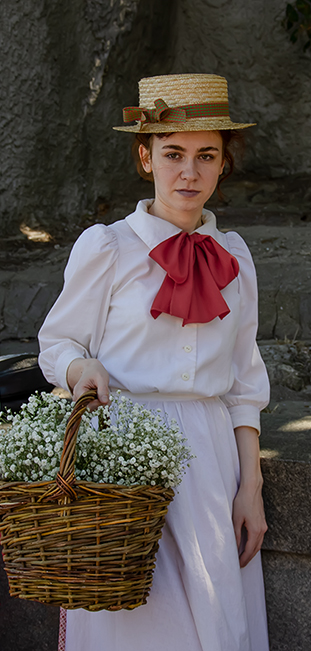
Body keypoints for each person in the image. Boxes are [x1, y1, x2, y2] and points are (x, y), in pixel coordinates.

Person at [38, 73, 270, 651]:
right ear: (146, 157)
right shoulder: (109, 247)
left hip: (212, 461)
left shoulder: (235, 256)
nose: (188, 172)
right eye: (173, 154)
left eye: (205, 155)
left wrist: (251, 487)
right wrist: (79, 371)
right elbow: (57, 344)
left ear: (223, 164)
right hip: (125, 455)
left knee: (215, 624)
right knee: (139, 626)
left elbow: (244, 381)